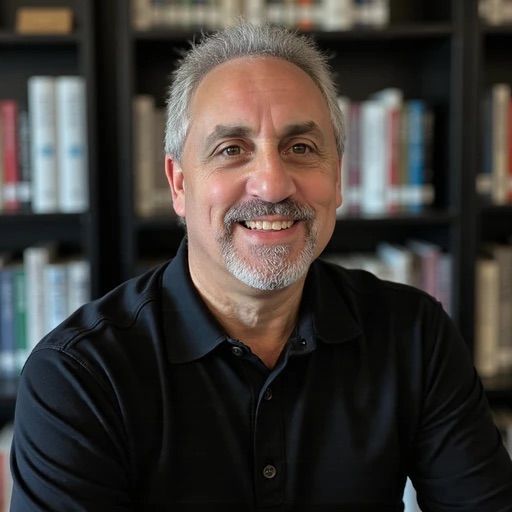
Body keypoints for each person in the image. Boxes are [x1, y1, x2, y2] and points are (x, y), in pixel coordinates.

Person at [10, 22, 512, 511]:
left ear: (337, 178)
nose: (272, 185)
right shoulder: (79, 376)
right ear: (179, 185)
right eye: (232, 150)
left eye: (301, 148)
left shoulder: (415, 335)